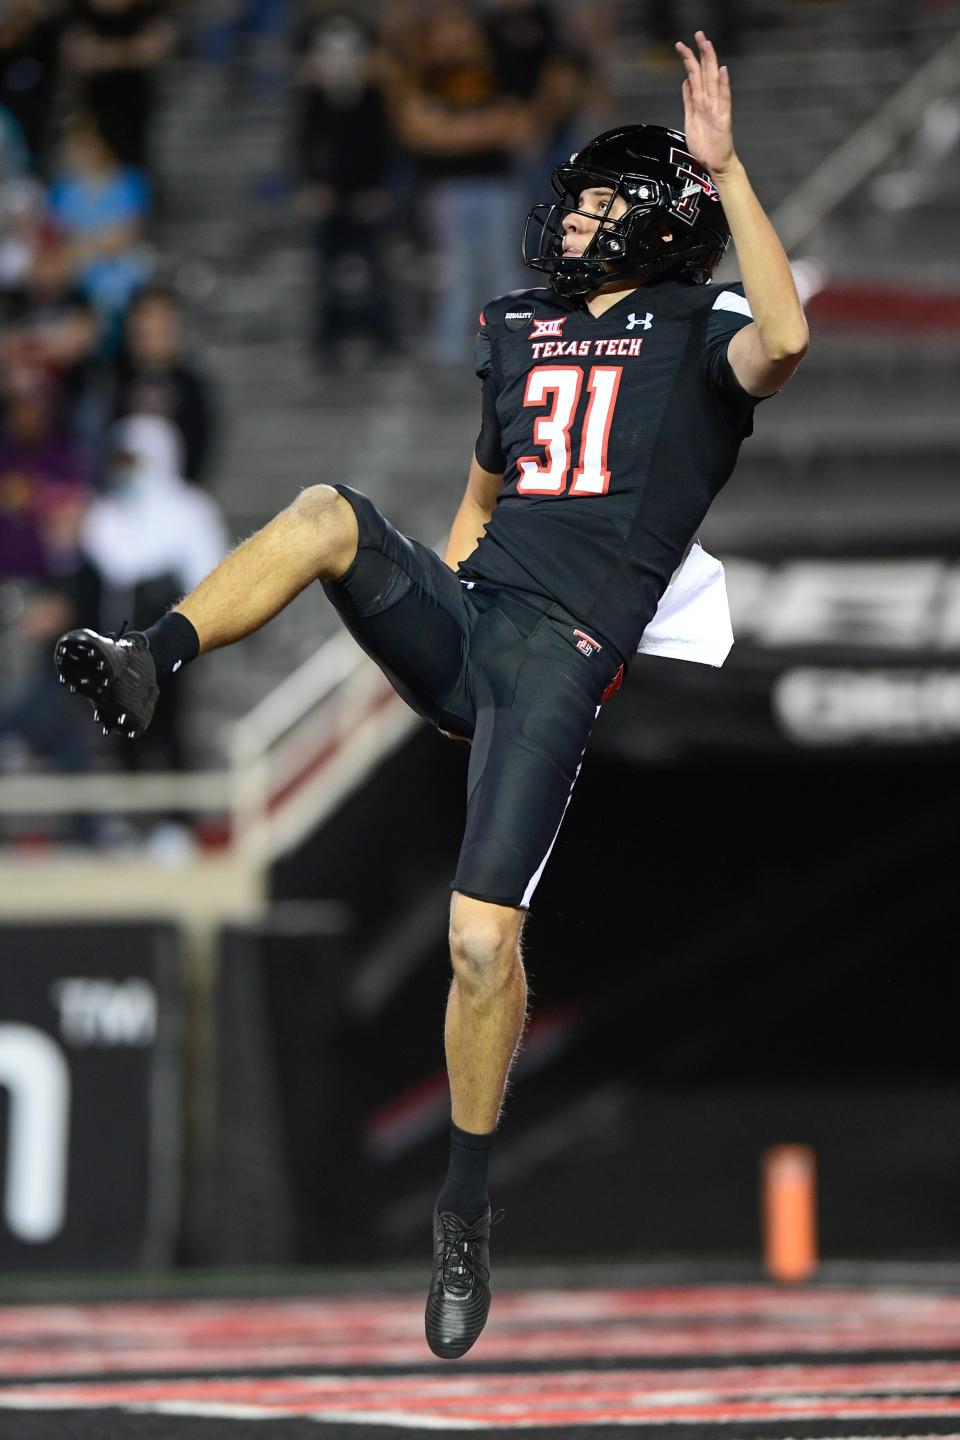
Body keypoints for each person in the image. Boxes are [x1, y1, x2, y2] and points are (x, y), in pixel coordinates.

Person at [54, 33, 807, 1356]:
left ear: (655, 224)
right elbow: (478, 495)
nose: (568, 218)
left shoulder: (698, 328)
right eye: (570, 201)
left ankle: (464, 1213)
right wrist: (442, 610)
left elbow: (789, 337)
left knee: (477, 945)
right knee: (327, 511)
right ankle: (147, 658)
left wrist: (731, 173)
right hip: (483, 621)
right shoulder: (516, 331)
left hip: (563, 653)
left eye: (595, 203)